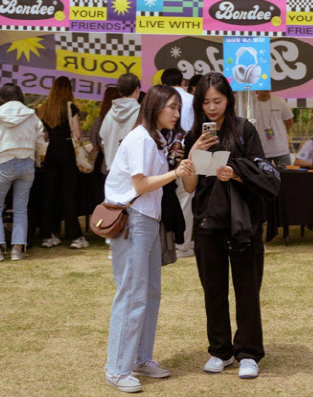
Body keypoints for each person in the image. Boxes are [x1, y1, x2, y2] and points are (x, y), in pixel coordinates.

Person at [183, 72, 278, 380]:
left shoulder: (243, 129)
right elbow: (189, 186)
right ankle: (220, 350)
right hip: (207, 219)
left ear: (229, 99)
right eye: (206, 102)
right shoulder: (193, 134)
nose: (212, 108)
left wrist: (233, 173)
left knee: (247, 286)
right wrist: (194, 153)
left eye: (218, 101)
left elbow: (261, 169)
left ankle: (249, 352)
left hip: (243, 219)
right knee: (213, 287)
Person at [103, 84, 195, 392]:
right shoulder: (142, 138)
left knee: (150, 293)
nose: (177, 114)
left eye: (179, 108)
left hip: (148, 220)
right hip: (135, 220)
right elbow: (141, 185)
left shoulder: (154, 139)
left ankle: (141, 358)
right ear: (155, 107)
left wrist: (172, 162)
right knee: (132, 294)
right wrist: (176, 171)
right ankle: (117, 368)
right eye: (172, 107)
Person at [0, 83, 45, 262]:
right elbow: (40, 139)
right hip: (27, 161)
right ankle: (17, 249)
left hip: (4, 160)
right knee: (20, 208)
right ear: (20, 95)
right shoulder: (31, 114)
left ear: (1, 96)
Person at [38, 76, 89, 249]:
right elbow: (78, 134)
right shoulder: (70, 107)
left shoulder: (44, 108)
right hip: (67, 151)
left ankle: (48, 235)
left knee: (49, 194)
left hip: (51, 151)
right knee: (69, 194)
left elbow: (43, 134)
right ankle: (75, 236)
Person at [161, 68, 195, 257]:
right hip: (188, 152)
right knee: (185, 197)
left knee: (164, 196)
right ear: (183, 81)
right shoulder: (191, 99)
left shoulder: (160, 99)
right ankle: (183, 243)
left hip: (164, 152)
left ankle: (169, 240)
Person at [99, 74, 142, 175]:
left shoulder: (110, 113)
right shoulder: (142, 114)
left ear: (119, 91)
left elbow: (103, 141)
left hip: (112, 170)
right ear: (137, 89)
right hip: (134, 171)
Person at [249, 90, 294, 167]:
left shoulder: (280, 101)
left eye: (268, 86)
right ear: (257, 89)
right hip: (261, 150)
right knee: (263, 177)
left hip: (281, 149)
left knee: (287, 175)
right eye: (263, 87)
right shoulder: (251, 104)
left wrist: (281, 133)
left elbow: (289, 120)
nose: (266, 89)